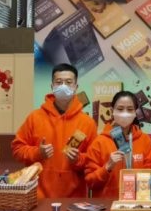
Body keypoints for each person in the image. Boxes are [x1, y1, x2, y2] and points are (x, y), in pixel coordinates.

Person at [11, 63, 97, 199]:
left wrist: (78, 159)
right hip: (37, 196)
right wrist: (37, 153)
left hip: (74, 199)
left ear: (76, 87)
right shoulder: (35, 117)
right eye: (59, 82)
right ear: (52, 86)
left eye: (68, 82)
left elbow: (94, 161)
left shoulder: (87, 123)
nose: (63, 86)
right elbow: (17, 149)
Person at [84, 90, 151, 198]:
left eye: (130, 109)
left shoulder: (144, 140)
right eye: (120, 109)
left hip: (137, 203)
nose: (125, 113)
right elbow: (90, 182)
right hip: (107, 205)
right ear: (112, 111)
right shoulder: (99, 142)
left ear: (136, 112)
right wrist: (107, 167)